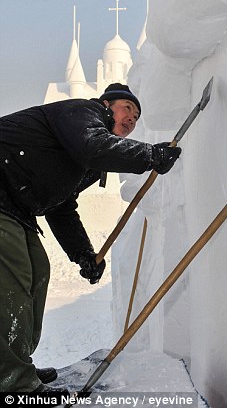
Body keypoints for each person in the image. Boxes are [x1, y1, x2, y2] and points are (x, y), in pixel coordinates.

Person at [0, 83, 181, 394]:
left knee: (38, 272)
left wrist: (83, 253)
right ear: (106, 104)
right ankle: (12, 382)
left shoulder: (87, 160)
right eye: (128, 108)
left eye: (136, 117)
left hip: (17, 207)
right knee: (14, 277)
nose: (131, 119)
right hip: (3, 195)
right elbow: (93, 145)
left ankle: (18, 365)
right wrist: (151, 155)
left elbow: (61, 207)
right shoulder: (83, 112)